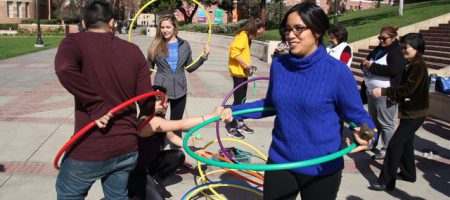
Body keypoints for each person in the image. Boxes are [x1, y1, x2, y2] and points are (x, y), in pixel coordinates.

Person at [219, 3, 375, 200]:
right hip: (280, 160)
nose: (290, 35)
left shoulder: (337, 72)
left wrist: (367, 132)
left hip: (321, 168)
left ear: (317, 31)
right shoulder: (280, 65)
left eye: (298, 29)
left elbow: (358, 116)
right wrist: (234, 110)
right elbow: (271, 104)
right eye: (287, 29)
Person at [54, 1, 155, 199]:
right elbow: (147, 102)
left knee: (68, 194)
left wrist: (94, 104)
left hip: (91, 149)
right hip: (126, 148)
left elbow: (64, 68)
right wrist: (153, 107)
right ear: (112, 23)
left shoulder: (73, 41)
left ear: (83, 22)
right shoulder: (133, 51)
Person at [128, 86, 222, 200]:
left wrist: (195, 150)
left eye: (167, 101)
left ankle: (155, 180)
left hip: (151, 163)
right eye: (161, 101)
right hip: (138, 171)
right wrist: (213, 116)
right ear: (149, 103)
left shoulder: (159, 119)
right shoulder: (148, 121)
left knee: (178, 155)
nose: (165, 105)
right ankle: (135, 192)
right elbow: (180, 124)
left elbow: (173, 137)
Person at [370, 33, 429, 191]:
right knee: (406, 143)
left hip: (415, 113)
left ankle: (386, 181)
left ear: (416, 48)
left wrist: (385, 91)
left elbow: (409, 89)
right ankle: (409, 173)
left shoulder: (418, 65)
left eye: (406, 47)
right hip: (410, 111)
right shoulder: (412, 63)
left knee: (395, 144)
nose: (403, 50)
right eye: (402, 47)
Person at [147, 14, 210, 149]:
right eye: (162, 27)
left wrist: (204, 56)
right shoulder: (155, 45)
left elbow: (190, 68)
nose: (165, 30)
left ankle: (177, 154)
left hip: (180, 89)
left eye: (168, 27)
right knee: (159, 124)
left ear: (175, 28)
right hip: (161, 90)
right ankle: (156, 153)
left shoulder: (184, 45)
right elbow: (148, 70)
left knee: (177, 124)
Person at [361, 26, 407, 160]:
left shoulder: (397, 52)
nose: (381, 40)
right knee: (373, 120)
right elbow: (368, 60)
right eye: (379, 38)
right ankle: (371, 141)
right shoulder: (379, 49)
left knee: (386, 123)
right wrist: (365, 64)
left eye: (384, 38)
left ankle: (387, 149)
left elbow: (393, 70)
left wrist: (371, 66)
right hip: (371, 92)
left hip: (386, 94)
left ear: (393, 38)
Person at [225, 17, 265, 139]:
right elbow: (234, 53)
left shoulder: (246, 37)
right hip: (238, 73)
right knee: (238, 100)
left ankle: (240, 122)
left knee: (242, 99)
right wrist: (247, 65)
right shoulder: (242, 36)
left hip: (242, 73)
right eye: (260, 29)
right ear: (255, 28)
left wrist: (247, 67)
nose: (261, 32)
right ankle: (231, 126)